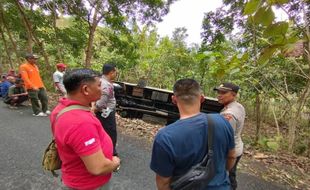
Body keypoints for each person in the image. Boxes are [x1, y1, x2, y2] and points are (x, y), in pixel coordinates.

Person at [150, 79, 236, 190]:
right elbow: (232, 156)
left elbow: (163, 182)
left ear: (174, 100)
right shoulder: (222, 121)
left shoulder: (165, 136)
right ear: (202, 98)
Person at [50, 68, 120, 190]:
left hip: (72, 176)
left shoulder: (61, 109)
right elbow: (98, 167)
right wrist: (115, 162)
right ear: (86, 89)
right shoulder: (81, 123)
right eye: (99, 85)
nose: (102, 89)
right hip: (88, 185)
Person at [214, 82, 246, 190]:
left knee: (222, 177)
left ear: (233, 95)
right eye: (218, 92)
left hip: (229, 151)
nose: (219, 95)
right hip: (238, 147)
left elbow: (225, 140)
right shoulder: (239, 106)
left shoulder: (228, 115)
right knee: (231, 175)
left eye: (223, 92)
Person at [93, 64, 118, 156]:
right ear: (111, 73)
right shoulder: (106, 84)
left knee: (102, 131)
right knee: (110, 132)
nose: (116, 74)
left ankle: (102, 150)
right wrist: (94, 110)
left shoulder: (100, 80)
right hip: (106, 113)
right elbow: (102, 102)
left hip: (103, 112)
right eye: (115, 72)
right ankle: (112, 153)